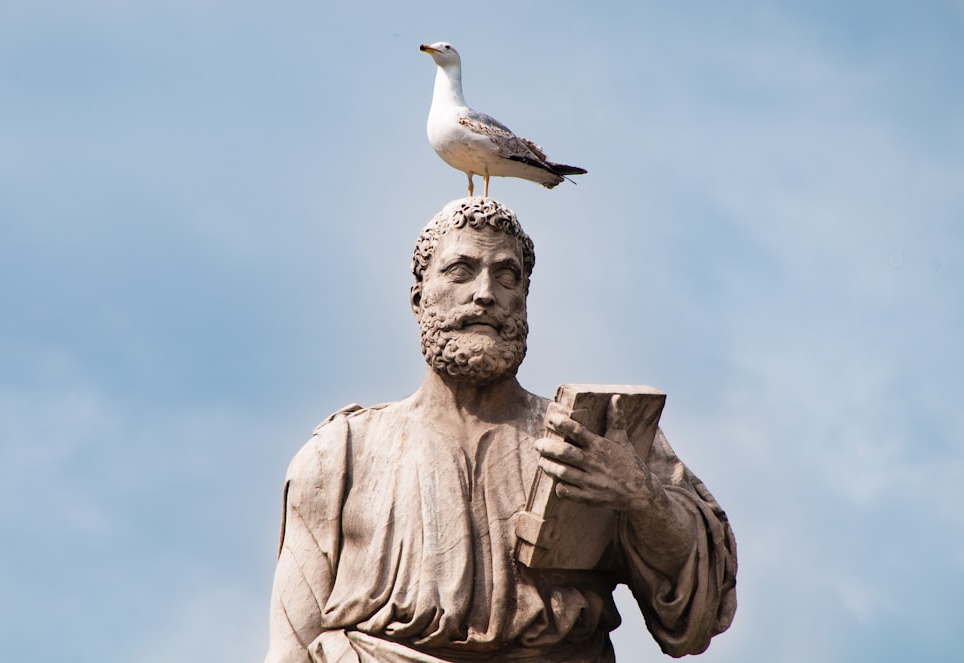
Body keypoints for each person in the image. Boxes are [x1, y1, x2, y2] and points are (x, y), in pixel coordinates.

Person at [264, 198, 736, 663]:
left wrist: (641, 498)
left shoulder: (593, 439)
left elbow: (697, 611)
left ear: (524, 300)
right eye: (461, 271)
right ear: (418, 298)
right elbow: (290, 648)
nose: (485, 292)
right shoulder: (340, 456)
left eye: (506, 276)